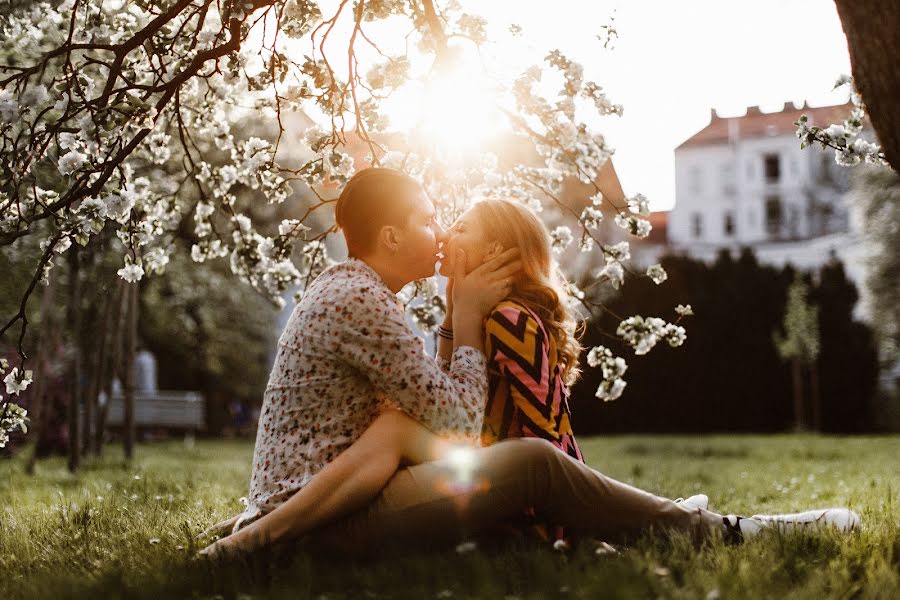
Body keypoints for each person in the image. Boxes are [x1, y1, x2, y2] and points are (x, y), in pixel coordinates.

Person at [200, 170, 859, 558]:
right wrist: (463, 319)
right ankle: (726, 532)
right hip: (328, 520)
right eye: (431, 221)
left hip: (326, 501)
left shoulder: (355, 292)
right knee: (540, 468)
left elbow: (428, 426)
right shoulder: (362, 301)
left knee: (446, 444)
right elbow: (457, 421)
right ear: (392, 237)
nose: (441, 237)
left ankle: (658, 521)